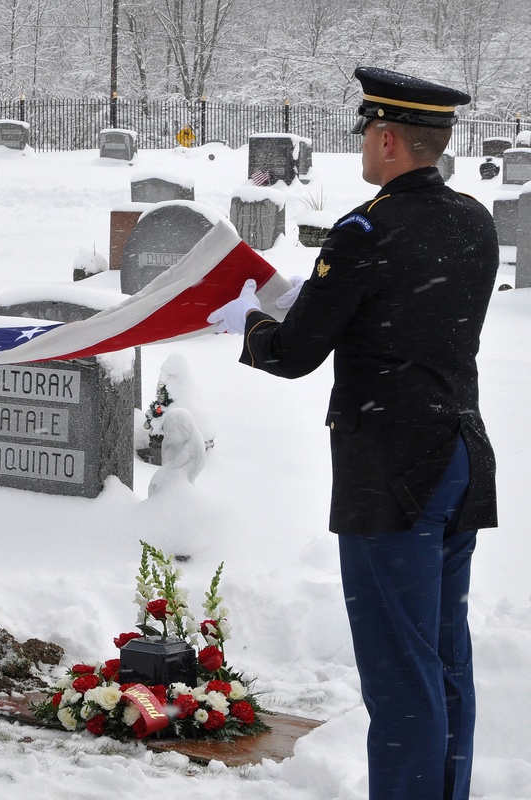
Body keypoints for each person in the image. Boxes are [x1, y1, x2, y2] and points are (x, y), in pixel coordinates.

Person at [208, 67, 498, 800]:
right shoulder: (473, 218)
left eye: (369, 133)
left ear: (390, 138)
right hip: (459, 453)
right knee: (442, 658)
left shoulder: (366, 228)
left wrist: (249, 325)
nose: (364, 147)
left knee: (402, 673)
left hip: (392, 468)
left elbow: (297, 354)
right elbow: (405, 314)